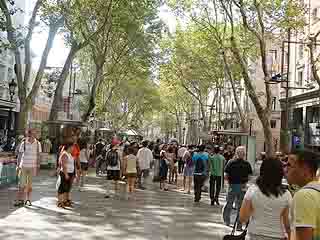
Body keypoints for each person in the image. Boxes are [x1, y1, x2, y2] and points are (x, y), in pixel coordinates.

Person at [239, 158, 292, 240]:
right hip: (277, 236)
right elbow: (287, 223)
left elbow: (243, 218)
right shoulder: (286, 194)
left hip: (254, 235)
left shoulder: (253, 190)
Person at [287, 150, 320, 240]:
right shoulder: (316, 192)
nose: (286, 169)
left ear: (305, 169)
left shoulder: (304, 195)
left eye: (289, 165)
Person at [223, 146, 252, 229]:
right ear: (244, 154)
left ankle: (227, 221)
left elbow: (225, 175)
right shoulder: (247, 164)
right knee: (241, 206)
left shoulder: (230, 162)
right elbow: (249, 176)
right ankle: (239, 225)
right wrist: (245, 183)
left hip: (232, 185)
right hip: (242, 186)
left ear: (236, 153)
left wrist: (229, 183)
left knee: (229, 203)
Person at [15, 129, 42, 207]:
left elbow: (39, 155)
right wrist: (17, 166)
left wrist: (38, 166)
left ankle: (28, 199)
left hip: (32, 167)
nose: (33, 135)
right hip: (23, 166)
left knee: (29, 185)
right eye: (32, 133)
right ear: (29, 134)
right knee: (21, 184)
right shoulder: (23, 143)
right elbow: (20, 155)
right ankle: (20, 200)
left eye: (35, 134)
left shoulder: (38, 143)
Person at [56, 143, 75, 208]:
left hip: (70, 173)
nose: (73, 148)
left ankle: (65, 201)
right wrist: (66, 174)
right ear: (69, 147)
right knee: (62, 188)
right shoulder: (64, 154)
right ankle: (59, 202)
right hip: (65, 173)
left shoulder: (69, 154)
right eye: (72, 147)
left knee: (67, 188)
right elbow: (63, 165)